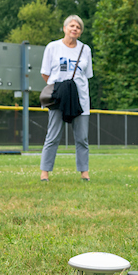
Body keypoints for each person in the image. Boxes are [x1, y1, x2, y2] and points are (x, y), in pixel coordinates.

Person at [39, 15, 93, 183]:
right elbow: (45, 73)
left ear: (80, 31)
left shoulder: (85, 50)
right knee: (53, 135)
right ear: (64, 28)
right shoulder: (53, 47)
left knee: (82, 137)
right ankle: (45, 173)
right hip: (59, 98)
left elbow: (87, 75)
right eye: (71, 25)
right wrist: (60, 90)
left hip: (80, 98)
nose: (74, 29)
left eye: (78, 27)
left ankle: (84, 172)